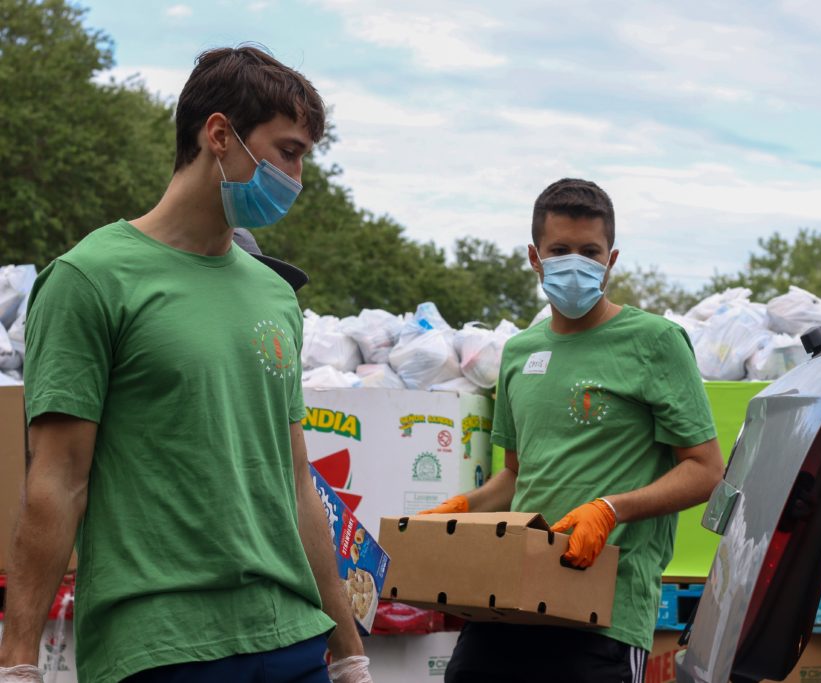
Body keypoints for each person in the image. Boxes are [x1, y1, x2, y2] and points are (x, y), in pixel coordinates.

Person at [0, 47, 372, 683]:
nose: (298, 176)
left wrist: (348, 652)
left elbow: (297, 480)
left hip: (290, 638)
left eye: (304, 154)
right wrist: (19, 662)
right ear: (220, 134)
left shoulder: (275, 294)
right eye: (287, 151)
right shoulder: (90, 280)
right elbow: (57, 481)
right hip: (161, 647)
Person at [427, 178, 724, 683]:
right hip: (510, 598)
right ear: (534, 257)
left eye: (590, 252)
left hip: (602, 613)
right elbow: (514, 478)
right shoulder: (520, 352)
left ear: (611, 261)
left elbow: (705, 470)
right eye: (559, 250)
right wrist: (458, 511)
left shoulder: (656, 342)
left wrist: (611, 510)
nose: (575, 262)